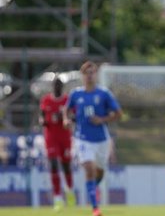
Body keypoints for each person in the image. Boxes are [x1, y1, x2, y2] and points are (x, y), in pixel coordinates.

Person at [63, 61, 122, 216]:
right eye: (86, 73)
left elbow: (118, 113)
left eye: (92, 72)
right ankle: (95, 208)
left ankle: (91, 188)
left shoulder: (104, 94)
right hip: (82, 139)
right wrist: (66, 120)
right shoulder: (76, 94)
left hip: (102, 140)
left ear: (96, 75)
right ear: (82, 75)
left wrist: (102, 119)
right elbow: (67, 110)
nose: (89, 76)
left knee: (100, 172)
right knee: (89, 168)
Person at [39, 77, 76, 211]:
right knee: (54, 165)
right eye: (55, 85)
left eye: (59, 85)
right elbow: (42, 116)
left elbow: (74, 116)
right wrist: (42, 121)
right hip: (51, 137)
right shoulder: (46, 100)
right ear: (52, 87)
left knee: (66, 165)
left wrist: (64, 118)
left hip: (64, 137)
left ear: (62, 87)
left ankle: (70, 191)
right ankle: (58, 198)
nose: (57, 87)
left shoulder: (67, 100)